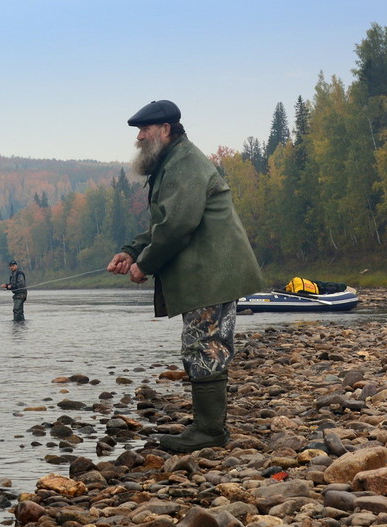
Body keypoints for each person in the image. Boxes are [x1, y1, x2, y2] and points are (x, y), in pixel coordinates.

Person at [107, 100, 264, 453]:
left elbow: (178, 226)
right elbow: (164, 222)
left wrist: (144, 265)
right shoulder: (173, 163)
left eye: (145, 129)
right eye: (138, 131)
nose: (140, 137)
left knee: (204, 347)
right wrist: (132, 251)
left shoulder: (185, 164)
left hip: (212, 273)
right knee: (203, 346)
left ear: (166, 129)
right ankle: (208, 428)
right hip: (210, 273)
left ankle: (209, 433)